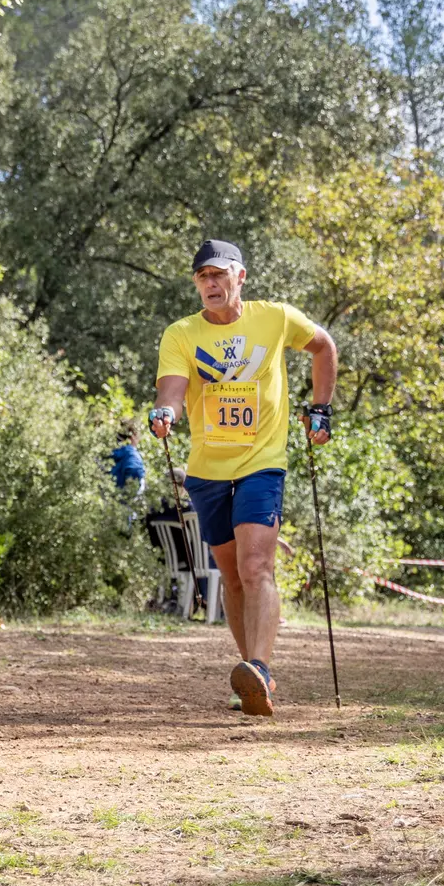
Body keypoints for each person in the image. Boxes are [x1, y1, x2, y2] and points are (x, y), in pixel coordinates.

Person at [150, 239, 336, 717]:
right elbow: (172, 389)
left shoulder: (273, 318)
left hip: (262, 460)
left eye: (218, 275)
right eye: (202, 278)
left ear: (240, 277)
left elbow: (323, 346)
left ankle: (261, 670)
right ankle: (247, 676)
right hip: (207, 469)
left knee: (256, 568)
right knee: (231, 576)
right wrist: (165, 415)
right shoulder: (181, 334)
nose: (210, 284)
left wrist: (320, 409)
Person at [109, 420, 147, 491]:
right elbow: (135, 475)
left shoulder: (109, 451)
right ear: (133, 437)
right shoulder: (132, 456)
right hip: (120, 498)